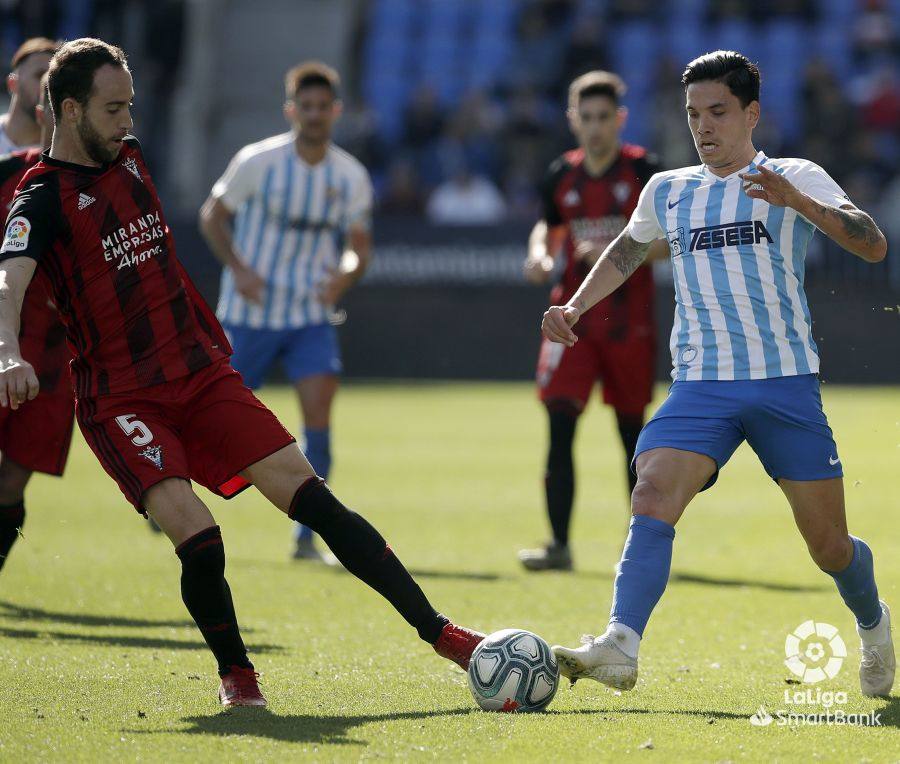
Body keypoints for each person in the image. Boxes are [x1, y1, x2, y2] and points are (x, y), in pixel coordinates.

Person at [0, 38, 483, 708]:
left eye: (131, 106)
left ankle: (446, 637)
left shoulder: (132, 158)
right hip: (123, 399)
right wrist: (7, 351)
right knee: (200, 539)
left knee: (314, 497)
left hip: (198, 374)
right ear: (71, 108)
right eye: (113, 109)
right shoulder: (41, 198)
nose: (127, 122)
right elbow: (9, 281)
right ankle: (240, 679)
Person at [544, 51, 893, 697]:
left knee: (829, 548)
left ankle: (874, 625)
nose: (703, 127)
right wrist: (575, 306)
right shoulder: (669, 189)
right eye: (693, 114)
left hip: (784, 384)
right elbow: (626, 249)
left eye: (718, 113)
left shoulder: (793, 174)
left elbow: (872, 243)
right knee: (650, 493)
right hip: (701, 384)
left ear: (752, 114)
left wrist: (795, 200)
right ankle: (621, 643)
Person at [199, 61, 370, 562]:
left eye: (324, 107)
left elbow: (360, 247)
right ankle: (176, 499)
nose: (315, 116)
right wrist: (240, 269)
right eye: (306, 106)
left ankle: (307, 536)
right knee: (211, 418)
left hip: (310, 316)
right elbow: (213, 216)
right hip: (249, 315)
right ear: (291, 109)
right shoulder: (259, 161)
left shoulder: (350, 176)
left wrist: (345, 273)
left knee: (318, 415)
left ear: (336, 111)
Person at [518, 71, 665, 572]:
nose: (596, 127)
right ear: (572, 119)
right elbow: (548, 223)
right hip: (572, 322)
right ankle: (558, 545)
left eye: (605, 117)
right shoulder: (562, 173)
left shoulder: (647, 172)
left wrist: (623, 251)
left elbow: (672, 244)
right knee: (559, 426)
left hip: (629, 323)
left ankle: (640, 553)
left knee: (632, 435)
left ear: (620, 119)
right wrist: (540, 253)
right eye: (587, 117)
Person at [0, 74, 73, 574]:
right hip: (6, 338)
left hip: (56, 359)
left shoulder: (119, 183)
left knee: (13, 482)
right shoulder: (9, 175)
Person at [0, 38, 57, 154]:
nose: (47, 84)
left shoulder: (60, 156)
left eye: (53, 78)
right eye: (40, 75)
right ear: (13, 84)